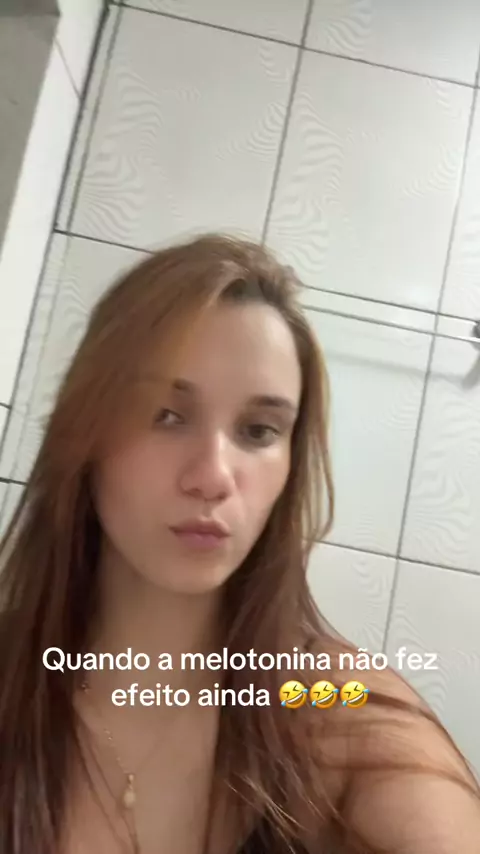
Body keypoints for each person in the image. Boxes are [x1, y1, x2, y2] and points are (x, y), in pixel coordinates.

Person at [0, 233, 479, 854]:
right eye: (166, 415)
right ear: (85, 433)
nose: (213, 476)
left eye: (258, 431)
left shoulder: (331, 702)